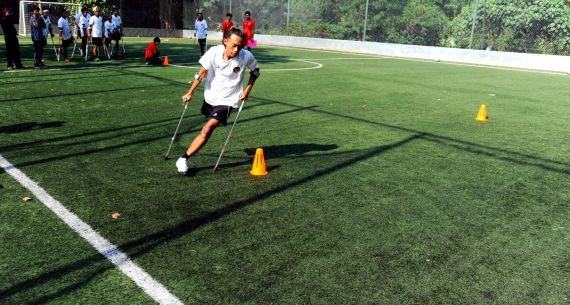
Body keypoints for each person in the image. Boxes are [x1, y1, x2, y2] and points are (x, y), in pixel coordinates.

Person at [176, 28, 260, 174]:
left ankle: (183, 158)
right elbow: (201, 73)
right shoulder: (214, 52)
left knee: (207, 129)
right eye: (234, 45)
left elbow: (256, 71)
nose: (237, 49)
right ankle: (185, 156)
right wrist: (190, 92)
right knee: (206, 126)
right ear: (225, 41)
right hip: (210, 97)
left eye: (240, 46)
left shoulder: (246, 55)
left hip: (228, 101)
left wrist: (247, 90)